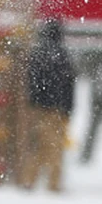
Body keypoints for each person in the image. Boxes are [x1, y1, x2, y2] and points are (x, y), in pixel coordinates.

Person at [22, 20, 76, 192]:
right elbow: (69, 85)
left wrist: (32, 103)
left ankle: (29, 180)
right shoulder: (63, 56)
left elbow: (30, 82)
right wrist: (68, 109)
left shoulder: (37, 54)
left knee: (36, 145)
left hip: (37, 109)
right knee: (55, 148)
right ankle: (54, 183)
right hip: (57, 109)